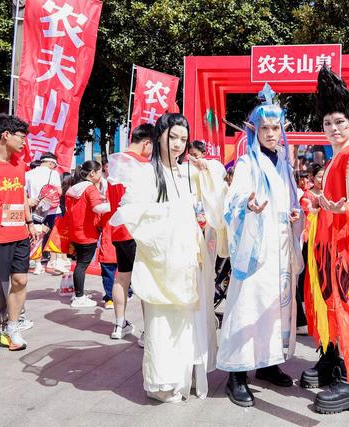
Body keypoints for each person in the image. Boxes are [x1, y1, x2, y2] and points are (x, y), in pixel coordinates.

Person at [110, 113, 217, 403]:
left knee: (186, 321)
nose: (178, 144)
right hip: (162, 261)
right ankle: (161, 383)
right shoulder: (146, 173)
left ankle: (182, 376)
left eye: (183, 138)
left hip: (187, 259)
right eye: (173, 137)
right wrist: (173, 217)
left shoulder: (185, 172)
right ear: (159, 136)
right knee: (161, 323)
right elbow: (134, 214)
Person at [217, 84, 304, 407]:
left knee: (274, 308)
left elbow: (290, 200)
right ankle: (236, 373)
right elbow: (234, 200)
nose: (271, 133)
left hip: (280, 246)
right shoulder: (246, 163)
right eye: (265, 127)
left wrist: (295, 213)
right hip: (255, 246)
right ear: (254, 129)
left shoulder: (284, 164)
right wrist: (247, 207)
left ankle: (267, 362)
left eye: (275, 127)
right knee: (247, 305)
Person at [302, 66, 349, 414]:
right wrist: (317, 206)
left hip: (341, 247)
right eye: (328, 123)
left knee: (341, 307)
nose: (334, 128)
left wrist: (339, 207)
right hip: (326, 244)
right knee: (328, 304)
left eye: (340, 122)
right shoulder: (333, 159)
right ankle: (331, 361)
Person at [0, 113, 40, 359]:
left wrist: (30, 222)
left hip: (19, 231)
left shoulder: (19, 163)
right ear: (5, 135)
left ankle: (12, 328)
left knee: (20, 280)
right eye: (21, 137)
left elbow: (21, 194)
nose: (24, 142)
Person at [106, 123, 153, 341]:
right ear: (146, 143)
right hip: (137, 230)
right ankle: (148, 332)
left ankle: (119, 325)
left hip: (118, 229)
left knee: (122, 277)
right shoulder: (142, 165)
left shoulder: (115, 161)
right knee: (145, 279)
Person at [65, 160, 111, 308]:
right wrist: (115, 204)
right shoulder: (90, 188)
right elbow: (97, 208)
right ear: (92, 173)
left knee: (80, 263)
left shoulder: (74, 188)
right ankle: (79, 297)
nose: (101, 175)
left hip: (75, 231)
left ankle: (78, 293)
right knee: (82, 265)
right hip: (87, 233)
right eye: (99, 172)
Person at [25, 152, 64, 274]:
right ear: (51, 163)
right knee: (55, 235)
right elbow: (59, 191)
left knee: (37, 236)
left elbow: (25, 193)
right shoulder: (54, 173)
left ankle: (38, 265)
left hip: (37, 210)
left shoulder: (28, 174)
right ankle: (55, 262)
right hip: (53, 210)